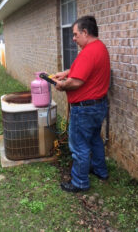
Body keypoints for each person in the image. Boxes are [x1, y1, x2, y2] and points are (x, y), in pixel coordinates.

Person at [53, 15, 110, 193]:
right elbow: (84, 70)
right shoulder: (99, 48)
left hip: (84, 110)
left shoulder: (88, 52)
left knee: (79, 147)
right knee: (94, 140)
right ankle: (100, 170)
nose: (74, 38)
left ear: (85, 32)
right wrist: (65, 72)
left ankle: (79, 182)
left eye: (76, 34)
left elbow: (76, 82)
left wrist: (62, 85)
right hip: (98, 106)